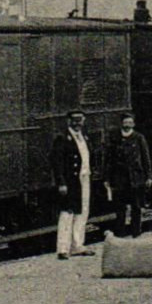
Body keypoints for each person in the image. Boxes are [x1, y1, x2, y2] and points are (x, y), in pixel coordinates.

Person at [52, 110, 95, 258]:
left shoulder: (84, 137)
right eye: (74, 121)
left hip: (84, 178)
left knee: (82, 212)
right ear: (68, 121)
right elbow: (57, 162)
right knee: (67, 213)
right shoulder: (62, 138)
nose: (78, 124)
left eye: (80, 120)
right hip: (71, 181)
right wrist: (61, 182)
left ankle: (77, 245)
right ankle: (63, 248)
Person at [104, 112, 152, 239]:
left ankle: (136, 232)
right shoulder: (115, 138)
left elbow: (145, 158)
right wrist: (107, 178)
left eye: (130, 122)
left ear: (133, 124)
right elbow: (109, 160)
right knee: (120, 208)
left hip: (135, 177)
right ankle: (120, 233)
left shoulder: (139, 138)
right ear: (121, 124)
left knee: (136, 207)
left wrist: (149, 176)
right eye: (125, 122)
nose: (127, 125)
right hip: (119, 178)